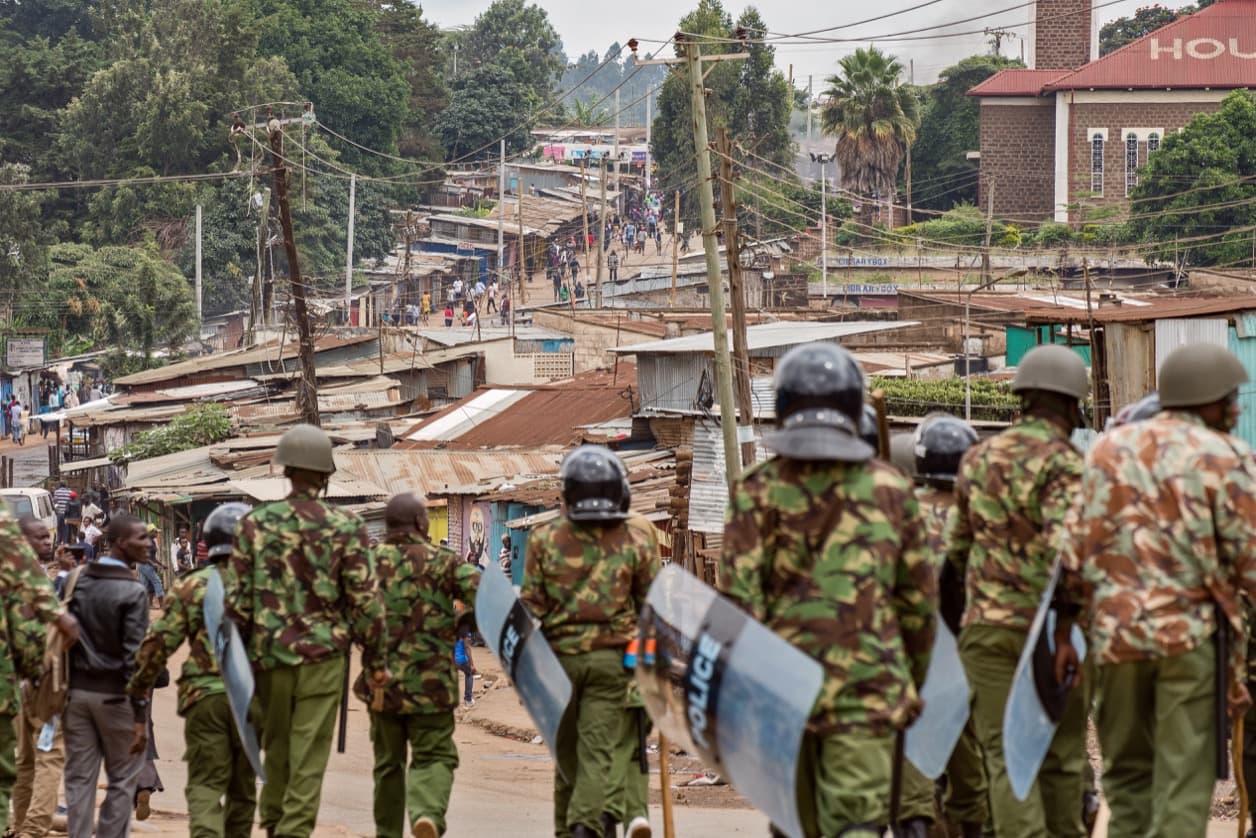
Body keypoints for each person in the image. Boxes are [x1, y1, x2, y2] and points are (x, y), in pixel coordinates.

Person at [721, 343, 935, 837]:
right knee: (855, 826)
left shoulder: (756, 492)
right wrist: (909, 689)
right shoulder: (892, 491)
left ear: (783, 407)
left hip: (781, 702)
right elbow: (918, 611)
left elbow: (739, 611)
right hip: (867, 697)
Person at [1056, 344, 1256, 838]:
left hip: (1114, 641)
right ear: (1205, 400)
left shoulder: (1105, 450)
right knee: (1183, 780)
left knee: (1126, 778)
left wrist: (1065, 635)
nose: (1236, 410)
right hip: (1188, 644)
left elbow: (1071, 557)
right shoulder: (1226, 456)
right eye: (1231, 400)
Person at [946, 344, 1088, 838]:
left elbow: (957, 553)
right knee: (1062, 759)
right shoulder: (1066, 463)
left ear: (1023, 399)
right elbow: (1071, 555)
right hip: (1050, 636)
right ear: (1073, 405)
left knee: (1009, 761)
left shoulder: (977, 459)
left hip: (986, 634)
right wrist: (1067, 628)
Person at [223, 424, 387, 838]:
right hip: (323, 661)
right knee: (307, 762)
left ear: (286, 471)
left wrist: (237, 664)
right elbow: (366, 605)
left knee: (276, 754)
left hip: (266, 660)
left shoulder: (254, 524)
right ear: (325, 475)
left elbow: (236, 605)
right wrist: (376, 662)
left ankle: (277, 825)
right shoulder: (346, 527)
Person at [520, 446, 660, 838]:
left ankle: (571, 829)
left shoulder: (544, 538)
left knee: (566, 760)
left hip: (556, 666)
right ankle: (585, 828)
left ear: (567, 495)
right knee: (596, 756)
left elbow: (531, 606)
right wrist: (651, 667)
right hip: (611, 666)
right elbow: (650, 609)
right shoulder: (635, 538)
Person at [127, 503, 257, 838]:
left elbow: (158, 645)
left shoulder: (192, 586)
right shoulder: (269, 587)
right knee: (243, 787)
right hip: (254, 700)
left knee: (206, 784)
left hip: (206, 697)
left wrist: (140, 686)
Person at [359, 493, 479, 838]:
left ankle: (388, 832)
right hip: (433, 685)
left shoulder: (366, 564)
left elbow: (344, 611)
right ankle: (426, 814)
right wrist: (463, 620)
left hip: (382, 685)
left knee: (387, 766)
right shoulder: (445, 563)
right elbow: (485, 595)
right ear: (422, 524)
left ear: (387, 526)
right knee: (435, 756)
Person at [905, 414, 985, 838]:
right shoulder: (981, 516)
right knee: (970, 765)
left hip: (914, 656)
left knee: (917, 757)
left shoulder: (900, 512)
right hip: (968, 656)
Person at [63, 515, 150, 838]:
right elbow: (134, 658)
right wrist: (140, 714)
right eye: (141, 538)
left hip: (76, 696)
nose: (148, 543)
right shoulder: (133, 590)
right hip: (117, 700)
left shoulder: (75, 579)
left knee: (79, 779)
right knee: (123, 779)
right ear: (119, 542)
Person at [12, 516, 70, 838]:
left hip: (18, 680)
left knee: (26, 761)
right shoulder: (31, 576)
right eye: (40, 538)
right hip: (40, 681)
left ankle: (20, 825)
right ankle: (32, 830)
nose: (47, 543)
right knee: (50, 756)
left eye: (48, 537)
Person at [137, 525, 164, 608]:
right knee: (157, 582)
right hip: (145, 564)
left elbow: (152, 556)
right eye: (155, 532)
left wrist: (161, 564)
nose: (157, 533)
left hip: (145, 564)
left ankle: (146, 604)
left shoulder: (151, 541)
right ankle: (162, 605)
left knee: (145, 584)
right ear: (150, 532)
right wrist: (152, 564)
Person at [454, 627, 476, 709]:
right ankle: (468, 699)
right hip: (461, 660)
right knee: (469, 674)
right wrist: (471, 663)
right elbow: (467, 647)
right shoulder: (466, 630)